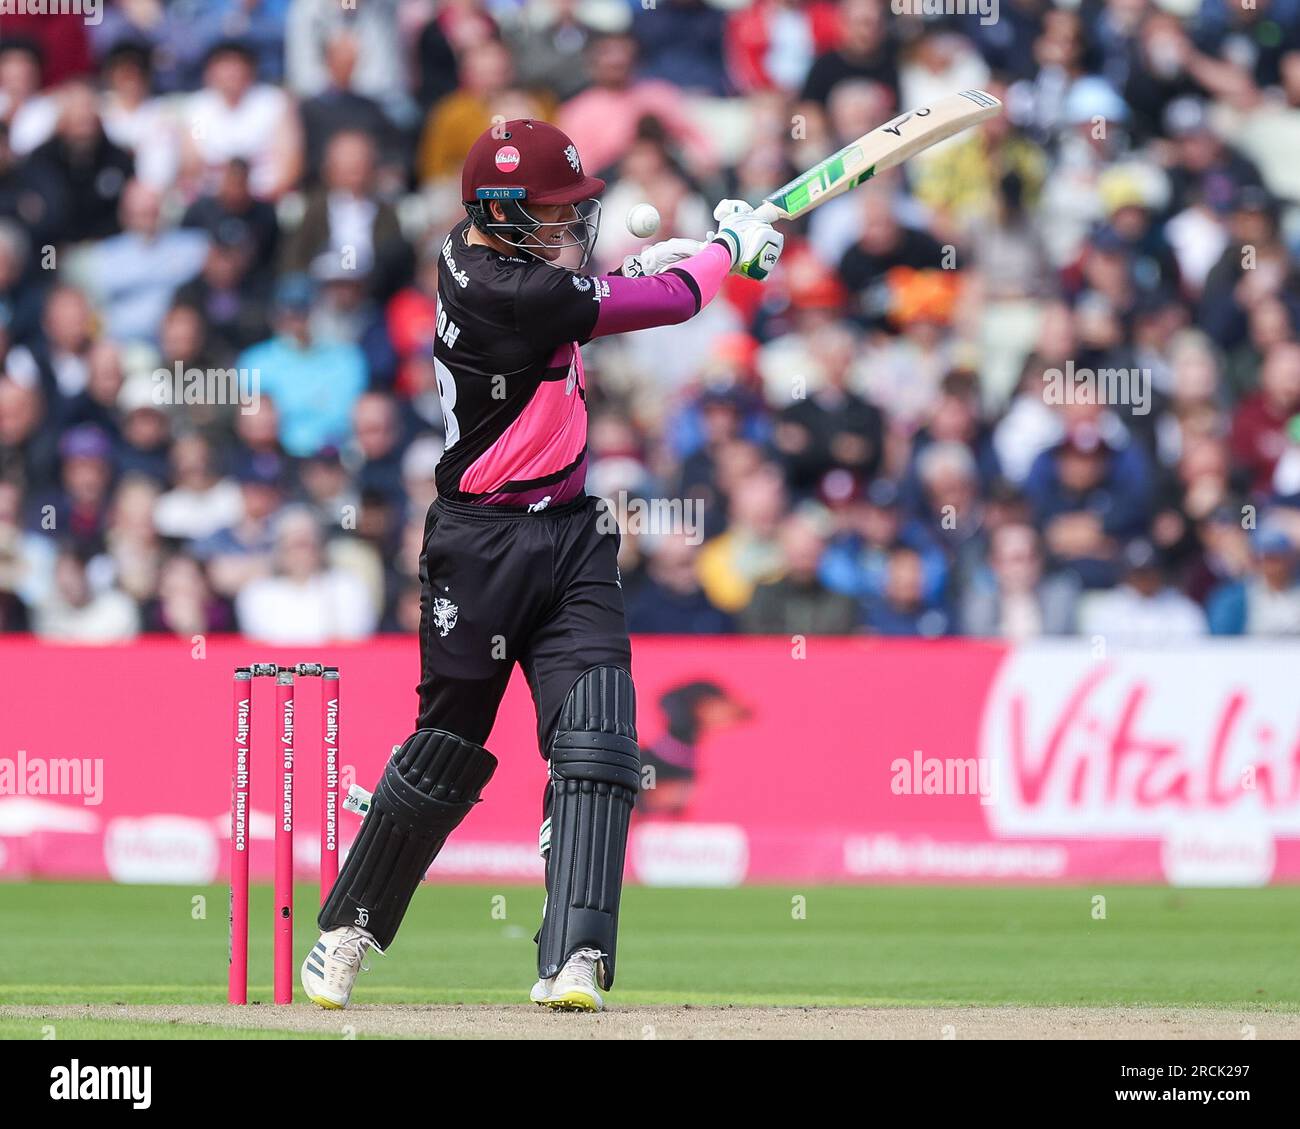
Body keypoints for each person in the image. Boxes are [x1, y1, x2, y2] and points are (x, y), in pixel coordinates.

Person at [301, 118, 783, 1013]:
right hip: (478, 548)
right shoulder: (504, 292)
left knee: (599, 742)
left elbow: (590, 293)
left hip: (570, 531)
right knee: (445, 751)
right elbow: (673, 304)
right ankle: (347, 928)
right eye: (553, 212)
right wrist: (724, 250)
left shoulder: (475, 252)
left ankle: (576, 958)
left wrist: (649, 268)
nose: (570, 224)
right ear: (501, 213)